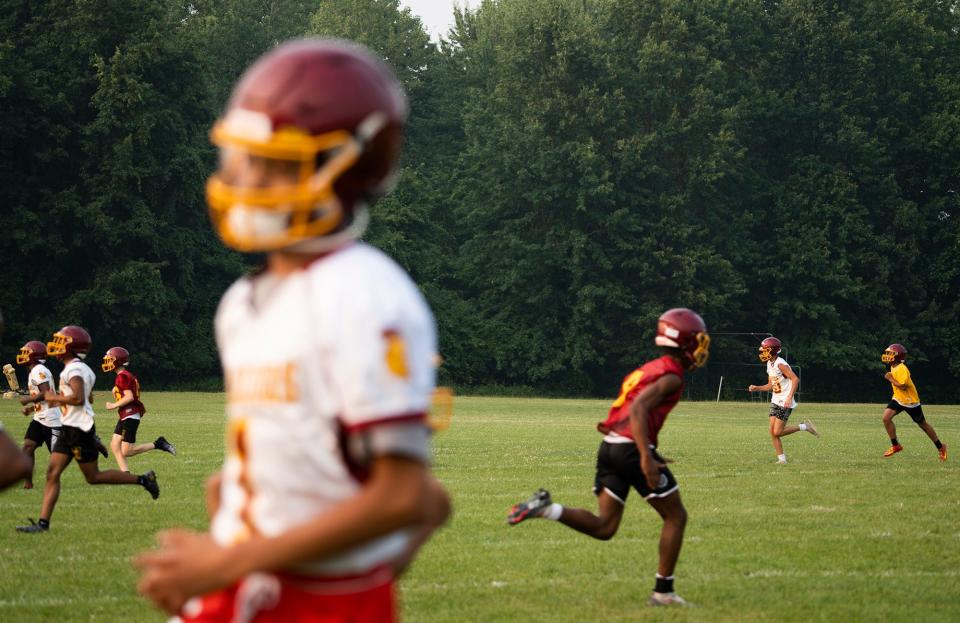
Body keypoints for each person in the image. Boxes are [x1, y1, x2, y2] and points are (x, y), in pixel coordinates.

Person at [134, 39, 450, 622]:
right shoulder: (242, 301)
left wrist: (236, 561)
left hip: (319, 601)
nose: (244, 178)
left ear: (350, 167)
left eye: (273, 162)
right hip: (249, 581)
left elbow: (407, 495)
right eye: (242, 156)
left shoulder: (365, 294)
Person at [507, 308, 711, 607]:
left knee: (605, 527)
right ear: (684, 341)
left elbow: (633, 412)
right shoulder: (672, 377)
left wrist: (649, 447)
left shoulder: (652, 367)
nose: (700, 348)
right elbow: (639, 409)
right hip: (630, 449)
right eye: (697, 340)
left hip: (610, 446)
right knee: (676, 516)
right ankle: (663, 592)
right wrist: (645, 455)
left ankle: (545, 509)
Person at [16, 325, 159, 533]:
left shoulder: (75, 369)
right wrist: (36, 407)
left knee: (94, 477)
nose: (56, 346)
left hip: (78, 430)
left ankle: (144, 479)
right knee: (52, 473)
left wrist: (51, 397)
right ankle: (43, 524)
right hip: (69, 427)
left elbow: (79, 398)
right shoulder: (75, 368)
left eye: (61, 342)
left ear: (72, 347)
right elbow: (87, 398)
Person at [102, 346, 177, 472]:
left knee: (127, 451)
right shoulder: (125, 375)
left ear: (118, 361)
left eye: (110, 359)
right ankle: (125, 474)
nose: (107, 362)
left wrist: (113, 405)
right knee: (114, 445)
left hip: (130, 415)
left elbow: (129, 397)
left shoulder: (122, 376)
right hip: (125, 415)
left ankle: (158, 444)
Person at [747, 336, 819, 464]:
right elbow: (771, 385)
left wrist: (789, 397)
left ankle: (804, 426)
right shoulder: (770, 364)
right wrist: (757, 387)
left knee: (778, 431)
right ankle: (782, 460)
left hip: (785, 401)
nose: (762, 353)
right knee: (772, 431)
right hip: (776, 400)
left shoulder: (780, 364)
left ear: (772, 351)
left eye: (764, 350)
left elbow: (795, 379)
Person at [880, 343, 946, 461]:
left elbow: (903, 386)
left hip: (910, 402)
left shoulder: (901, 368)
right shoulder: (893, 365)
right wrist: (891, 378)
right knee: (886, 418)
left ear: (897, 356)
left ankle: (941, 447)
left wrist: (890, 379)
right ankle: (896, 445)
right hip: (898, 399)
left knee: (923, 425)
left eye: (890, 353)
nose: (887, 355)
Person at [15, 340, 63, 489]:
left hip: (51, 419)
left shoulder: (38, 369)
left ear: (34, 355)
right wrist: (30, 409)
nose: (23, 356)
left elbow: (46, 393)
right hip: (39, 417)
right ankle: (28, 482)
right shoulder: (34, 370)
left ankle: (90, 443)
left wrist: (27, 399)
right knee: (28, 447)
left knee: (58, 455)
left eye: (26, 353)